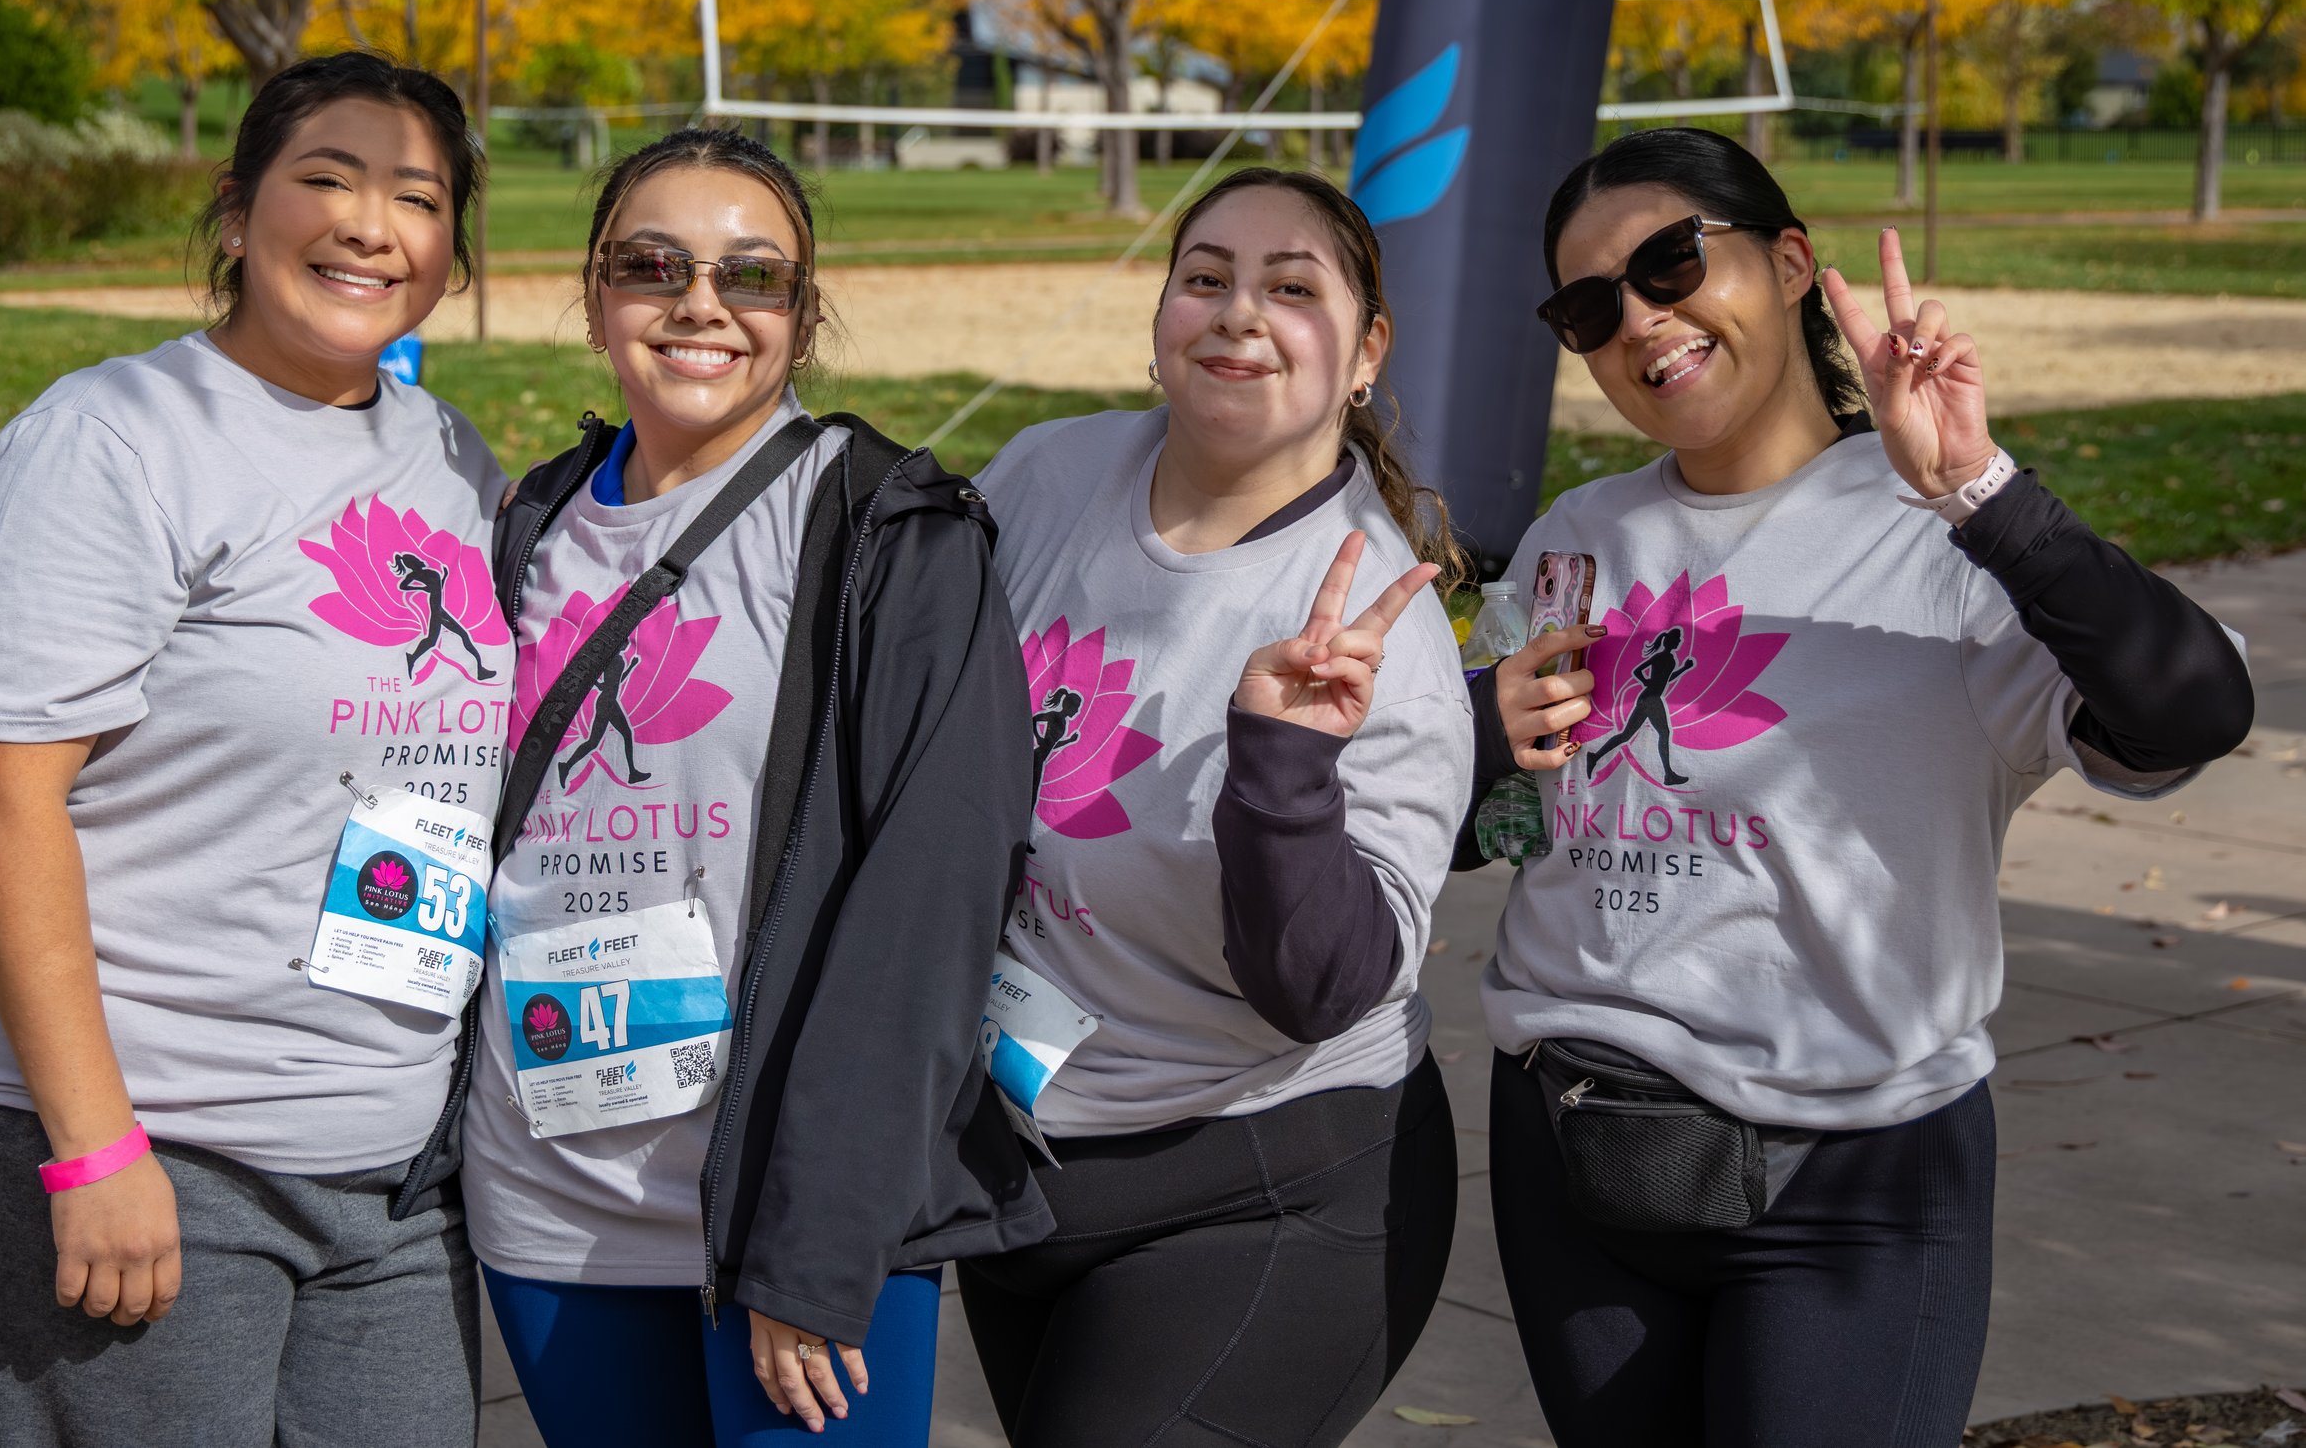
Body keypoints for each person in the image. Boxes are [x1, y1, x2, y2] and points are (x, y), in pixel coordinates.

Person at [1476, 126, 2254, 1446]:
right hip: (1574, 1154)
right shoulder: (1577, 535)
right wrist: (1483, 738)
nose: (1640, 320)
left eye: (1671, 263)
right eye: (1590, 305)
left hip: (1852, 1177)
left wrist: (1981, 492)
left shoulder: (1943, 540)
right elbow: (1491, 827)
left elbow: (2196, 706)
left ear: (1788, 261)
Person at [0, 51, 505, 1448]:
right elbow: (1, 798)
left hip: (393, 1166)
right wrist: (95, 1144)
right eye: (328, 179)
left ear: (449, 254)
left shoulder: (450, 452)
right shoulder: (116, 437)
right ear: (236, 214)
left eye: (417, 197)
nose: (371, 223)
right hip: (152, 1142)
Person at [456, 127, 1048, 1445]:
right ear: (598, 293)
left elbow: (927, 907)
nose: (699, 304)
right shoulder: (528, 524)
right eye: (651, 264)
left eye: (752, 274)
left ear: (805, 308)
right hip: (547, 1192)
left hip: (795, 1212)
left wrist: (817, 1241)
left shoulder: (894, 530)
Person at [957, 167, 1478, 1446]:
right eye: (1207, 277)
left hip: (1263, 1185)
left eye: (1291, 289)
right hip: (1020, 1155)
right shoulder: (1044, 473)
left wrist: (1283, 766)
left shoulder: (1373, 643)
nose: (1239, 313)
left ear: (1366, 351)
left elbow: (1321, 984)